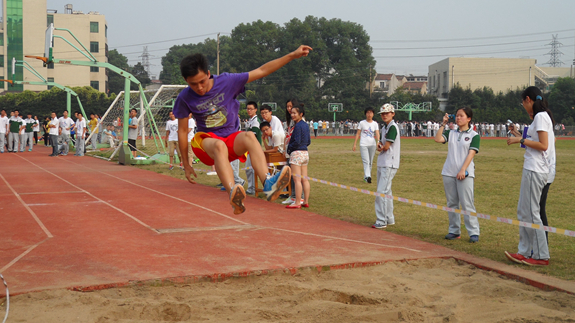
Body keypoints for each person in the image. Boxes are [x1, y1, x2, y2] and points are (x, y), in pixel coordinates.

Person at [172, 45, 311, 214]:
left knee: (250, 137)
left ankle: (268, 184)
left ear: (209, 74)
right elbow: (182, 130)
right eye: (194, 84)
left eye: (202, 81)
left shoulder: (227, 81)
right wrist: (186, 163)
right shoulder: (184, 98)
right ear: (186, 81)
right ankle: (233, 192)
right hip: (206, 143)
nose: (200, 88)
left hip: (231, 139)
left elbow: (262, 70)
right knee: (219, 146)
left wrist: (291, 55)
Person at [504, 87, 555, 266]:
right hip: (531, 168)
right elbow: (535, 142)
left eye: (523, 102)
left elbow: (543, 145)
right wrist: (520, 136)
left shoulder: (541, 117)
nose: (523, 106)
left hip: (536, 170)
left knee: (533, 213)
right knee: (524, 211)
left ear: (528, 99)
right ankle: (524, 251)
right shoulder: (539, 118)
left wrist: (521, 140)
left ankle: (541, 255)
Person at [434, 108, 480, 243]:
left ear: (469, 118)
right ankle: (454, 230)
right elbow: (438, 139)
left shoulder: (474, 135)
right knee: (452, 203)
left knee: (467, 203)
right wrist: (443, 124)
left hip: (465, 173)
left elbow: (471, 153)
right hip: (449, 172)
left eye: (462, 116)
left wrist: (463, 169)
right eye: (457, 116)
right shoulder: (451, 132)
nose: (458, 118)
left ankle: (473, 232)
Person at [372, 104, 401, 229]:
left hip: (389, 162)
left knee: (381, 192)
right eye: (383, 114)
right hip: (384, 161)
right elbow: (382, 145)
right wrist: (380, 145)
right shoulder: (385, 128)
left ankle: (382, 220)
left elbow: (386, 146)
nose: (384, 115)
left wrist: (381, 146)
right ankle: (389, 218)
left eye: (387, 113)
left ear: (393, 114)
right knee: (387, 191)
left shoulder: (392, 127)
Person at [285, 103, 311, 209]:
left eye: (295, 113)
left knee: (297, 180)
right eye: (292, 113)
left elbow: (297, 141)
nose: (292, 115)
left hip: (296, 153)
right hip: (305, 153)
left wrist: (290, 148)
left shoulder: (298, 126)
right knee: (305, 179)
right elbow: (308, 141)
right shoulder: (305, 125)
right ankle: (305, 201)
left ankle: (297, 202)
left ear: (301, 114)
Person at [352, 107, 379, 183]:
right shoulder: (362, 123)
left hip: (372, 144)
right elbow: (358, 133)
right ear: (365, 114)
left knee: (370, 161)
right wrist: (355, 144)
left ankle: (366, 177)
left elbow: (377, 133)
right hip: (363, 144)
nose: (369, 114)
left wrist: (378, 141)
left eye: (371, 112)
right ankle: (368, 176)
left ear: (373, 114)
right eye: (368, 112)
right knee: (366, 161)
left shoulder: (375, 124)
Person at [245, 102, 261, 195]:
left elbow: (253, 136)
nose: (249, 110)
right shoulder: (251, 120)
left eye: (251, 109)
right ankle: (251, 187)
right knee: (248, 168)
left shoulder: (255, 121)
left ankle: (253, 188)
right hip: (250, 148)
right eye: (248, 109)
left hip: (254, 148)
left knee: (251, 169)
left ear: (255, 109)